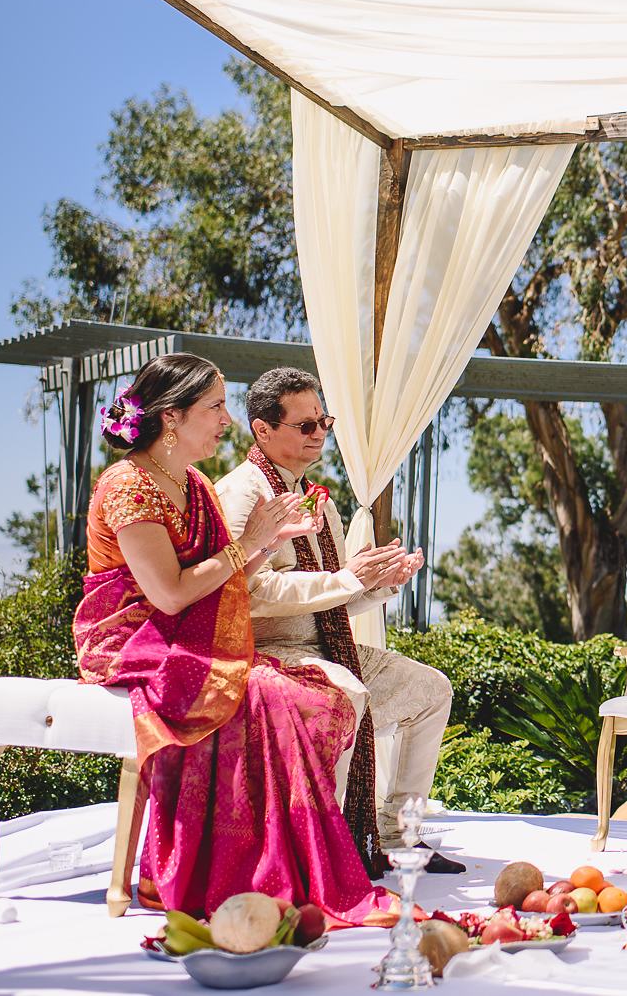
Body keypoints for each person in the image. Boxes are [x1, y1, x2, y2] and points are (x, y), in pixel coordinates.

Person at [73, 353, 394, 923]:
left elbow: (231, 579)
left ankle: (282, 866)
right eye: (216, 407)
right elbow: (169, 594)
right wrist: (252, 544)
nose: (227, 420)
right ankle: (242, 871)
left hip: (187, 631)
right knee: (275, 696)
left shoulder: (192, 482)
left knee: (300, 696)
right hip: (132, 637)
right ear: (172, 417)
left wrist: (270, 541)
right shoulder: (127, 485)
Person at [216, 368, 462, 875]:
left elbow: (331, 597)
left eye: (323, 421)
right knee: (346, 690)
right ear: (262, 430)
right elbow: (251, 594)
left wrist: (380, 582)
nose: (320, 434)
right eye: (305, 425)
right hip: (270, 652)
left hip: (326, 644)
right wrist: (349, 579)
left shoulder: (313, 498)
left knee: (431, 689)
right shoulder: (242, 494)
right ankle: (323, 843)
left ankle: (398, 835)